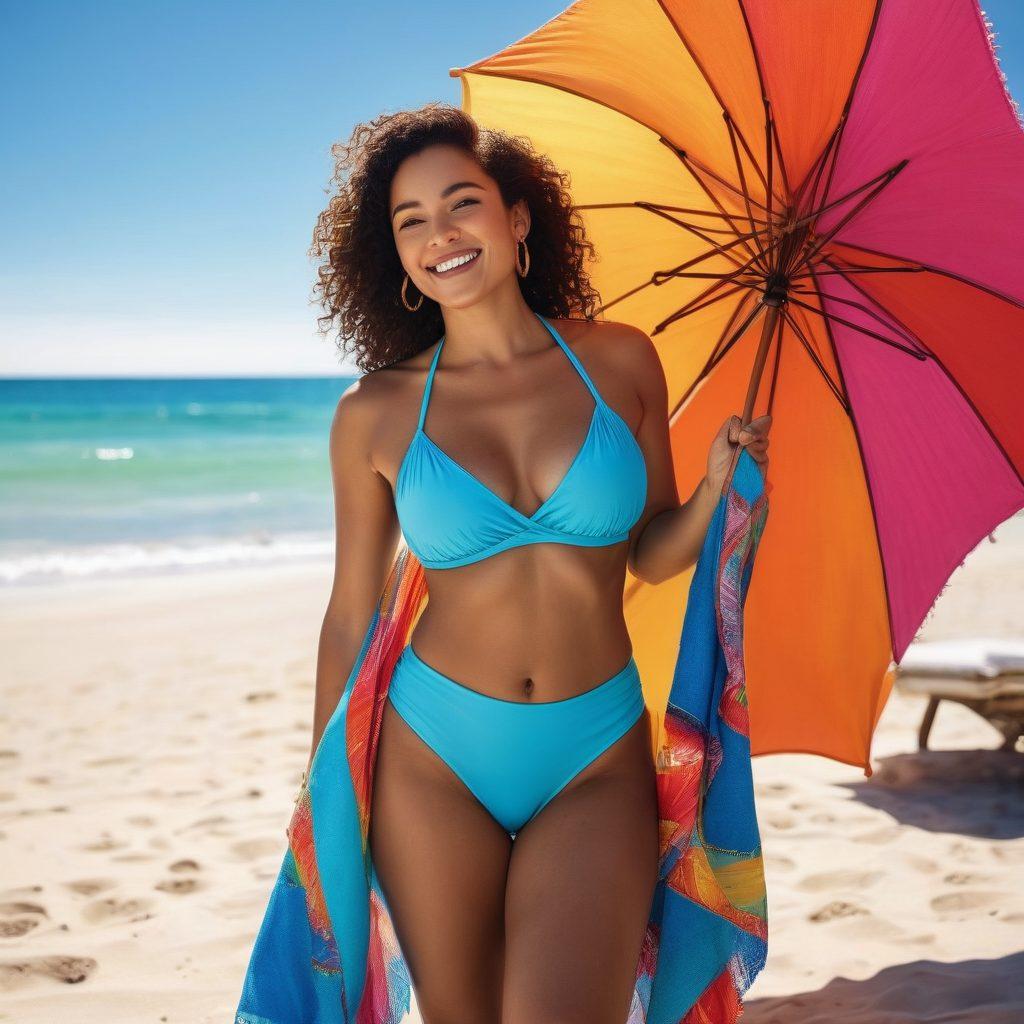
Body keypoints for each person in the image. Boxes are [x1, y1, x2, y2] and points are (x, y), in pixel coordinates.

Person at [302, 102, 770, 1024]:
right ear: (394, 258)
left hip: (592, 754)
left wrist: (718, 486)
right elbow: (350, 613)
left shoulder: (619, 363)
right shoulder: (375, 413)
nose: (442, 234)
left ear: (517, 221)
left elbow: (648, 551)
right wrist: (329, 791)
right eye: (412, 222)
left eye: (462, 203)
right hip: (431, 758)